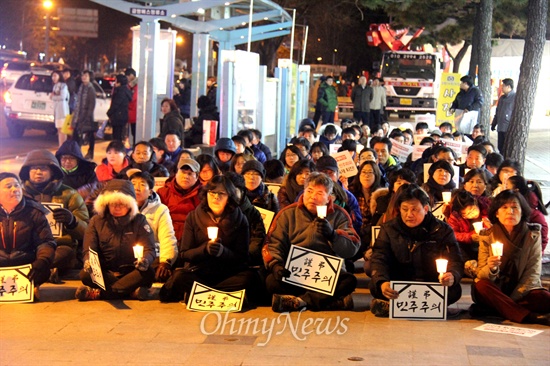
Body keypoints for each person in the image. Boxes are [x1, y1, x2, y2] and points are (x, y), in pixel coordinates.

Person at [263, 172, 360, 312]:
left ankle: (300, 301)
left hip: (326, 276)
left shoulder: (339, 214)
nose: (313, 197)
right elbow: (273, 243)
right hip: (296, 273)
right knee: (271, 282)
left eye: (320, 193)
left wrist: (333, 235)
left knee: (348, 281)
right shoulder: (288, 213)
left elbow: (352, 248)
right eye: (309, 191)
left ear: (329, 198)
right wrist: (276, 264)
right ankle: (328, 301)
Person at [369, 184, 464, 317]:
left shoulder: (442, 230)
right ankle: (427, 305)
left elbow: (455, 259)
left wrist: (452, 275)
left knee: (454, 290)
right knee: (376, 286)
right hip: (400, 282)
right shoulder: (389, 229)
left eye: (414, 209)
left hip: (432, 282)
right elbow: (379, 258)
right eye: (405, 209)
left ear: (425, 209)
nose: (409, 214)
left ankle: (396, 306)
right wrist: (382, 281)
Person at [159, 176, 254, 304]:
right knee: (179, 277)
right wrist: (204, 249)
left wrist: (223, 252)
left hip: (227, 274)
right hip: (200, 272)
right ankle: (223, 296)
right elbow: (184, 253)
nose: (216, 197)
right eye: (212, 192)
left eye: (221, 193)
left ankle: (200, 294)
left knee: (249, 279)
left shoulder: (239, 220)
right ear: (206, 194)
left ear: (229, 197)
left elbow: (242, 258)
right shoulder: (193, 217)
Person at [471, 190, 550, 325]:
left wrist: (508, 300)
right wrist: (491, 268)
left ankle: (498, 309)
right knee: (482, 286)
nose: (510, 212)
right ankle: (530, 317)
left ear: (522, 211)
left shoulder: (533, 235)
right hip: (494, 288)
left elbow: (533, 272)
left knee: (544, 297)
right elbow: (481, 273)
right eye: (504, 208)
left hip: (521, 291)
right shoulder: (487, 234)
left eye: (515, 207)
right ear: (496, 212)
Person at [76, 179, 156, 301]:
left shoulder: (139, 221)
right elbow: (89, 249)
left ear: (130, 205)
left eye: (122, 204)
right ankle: (128, 292)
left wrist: (145, 260)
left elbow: (149, 248)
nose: (117, 208)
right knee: (85, 274)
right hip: (106, 272)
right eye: (113, 204)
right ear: (106, 204)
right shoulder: (96, 221)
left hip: (131, 271)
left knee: (148, 272)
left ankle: (101, 293)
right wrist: (89, 261)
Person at [19, 149, 89, 281]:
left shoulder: (69, 194)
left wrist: (72, 221)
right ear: (27, 172)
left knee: (65, 253)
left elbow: (87, 232)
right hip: (28, 246)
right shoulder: (19, 196)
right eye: (34, 168)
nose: (38, 172)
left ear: (53, 171)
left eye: (43, 168)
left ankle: (37, 271)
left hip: (59, 246)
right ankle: (46, 271)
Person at [0, 173, 56, 300]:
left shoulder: (34, 212)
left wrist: (41, 261)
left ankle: (31, 286)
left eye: (17, 185)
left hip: (25, 265)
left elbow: (46, 242)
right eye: (8, 186)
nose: (14, 189)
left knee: (44, 268)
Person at [129, 172, 178, 283]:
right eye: (133, 184)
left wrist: (166, 261)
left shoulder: (160, 209)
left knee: (158, 272)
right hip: (127, 256)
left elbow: (167, 237)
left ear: (150, 191)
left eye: (142, 184)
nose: (136, 188)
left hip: (152, 257)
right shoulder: (121, 208)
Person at [157, 158, 202, 240]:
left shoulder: (202, 195)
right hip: (167, 235)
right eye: (183, 172)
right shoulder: (163, 192)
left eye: (190, 173)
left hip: (193, 237)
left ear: (197, 177)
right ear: (176, 173)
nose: (186, 177)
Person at [447, 190, 489, 275]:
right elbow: (453, 234)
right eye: (465, 214)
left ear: (475, 202)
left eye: (472, 210)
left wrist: (488, 228)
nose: (470, 215)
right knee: (456, 245)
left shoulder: (487, 208)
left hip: (486, 243)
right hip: (467, 246)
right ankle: (469, 265)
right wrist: (470, 237)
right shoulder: (455, 216)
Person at [349, 161, 383, 260]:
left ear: (376, 175)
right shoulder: (352, 192)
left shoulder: (381, 195)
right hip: (354, 230)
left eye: (370, 172)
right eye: (363, 172)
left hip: (370, 234)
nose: (366, 175)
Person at [506, 176, 548, 252]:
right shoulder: (525, 207)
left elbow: (542, 239)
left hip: (533, 250)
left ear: (516, 190)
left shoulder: (529, 213)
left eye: (506, 186)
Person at [71, 70, 96, 160]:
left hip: (87, 117)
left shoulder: (91, 89)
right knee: (77, 135)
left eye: (86, 76)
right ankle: (77, 153)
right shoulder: (81, 87)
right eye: (83, 75)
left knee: (89, 136)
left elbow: (91, 105)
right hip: (78, 116)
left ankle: (90, 152)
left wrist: (87, 117)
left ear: (90, 77)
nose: (83, 77)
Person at [491, 78, 516, 154]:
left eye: (503, 86)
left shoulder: (515, 97)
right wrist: (494, 123)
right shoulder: (502, 98)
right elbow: (498, 111)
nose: (501, 88)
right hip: (501, 127)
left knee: (507, 148)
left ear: (508, 86)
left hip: (508, 127)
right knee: (500, 147)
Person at [107, 74, 132, 142]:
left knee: (117, 136)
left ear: (119, 82)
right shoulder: (125, 90)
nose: (114, 83)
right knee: (119, 136)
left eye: (116, 81)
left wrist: (109, 112)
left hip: (118, 117)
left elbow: (116, 104)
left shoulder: (120, 91)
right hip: (121, 116)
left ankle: (117, 150)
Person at [51, 70, 70, 147]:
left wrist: (53, 97)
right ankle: (61, 146)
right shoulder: (55, 86)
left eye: (55, 76)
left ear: (59, 76)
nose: (53, 78)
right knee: (59, 130)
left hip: (63, 111)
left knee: (63, 130)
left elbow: (63, 97)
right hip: (57, 111)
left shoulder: (63, 86)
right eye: (52, 76)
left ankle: (62, 146)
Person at [124, 68, 138, 147]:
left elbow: (133, 99)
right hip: (132, 113)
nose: (127, 78)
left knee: (134, 132)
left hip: (134, 113)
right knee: (132, 133)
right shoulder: (130, 86)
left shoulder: (135, 86)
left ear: (132, 75)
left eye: (128, 76)